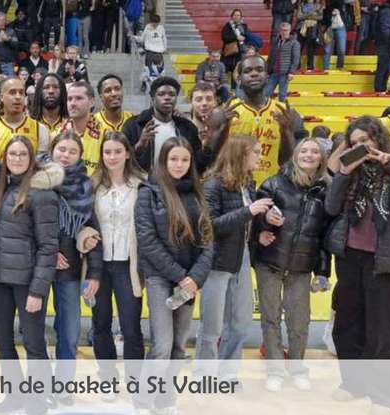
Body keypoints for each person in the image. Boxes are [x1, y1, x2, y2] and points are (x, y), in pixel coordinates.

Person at [324, 116, 390, 414]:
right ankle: (354, 384)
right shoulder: (350, 170)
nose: (360, 147)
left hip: (384, 260)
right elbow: (331, 206)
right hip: (349, 256)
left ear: (378, 139)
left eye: (365, 141)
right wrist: (343, 173)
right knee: (346, 325)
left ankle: (384, 397)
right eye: (354, 143)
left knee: (382, 332)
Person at [134, 135, 213, 413]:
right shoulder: (148, 192)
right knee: (162, 346)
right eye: (173, 159)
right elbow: (147, 241)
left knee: (179, 346)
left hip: (189, 281)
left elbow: (208, 242)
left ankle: (165, 401)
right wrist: (181, 277)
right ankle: (143, 402)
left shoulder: (198, 193)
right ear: (163, 161)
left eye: (184, 159)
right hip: (161, 278)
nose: (179, 164)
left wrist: (195, 278)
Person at [0, 135, 60, 415]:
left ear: (31, 160)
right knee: (3, 342)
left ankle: (37, 400)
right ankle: (15, 396)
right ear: (5, 158)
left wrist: (38, 290)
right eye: (12, 154)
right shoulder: (1, 189)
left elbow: (48, 247)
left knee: (33, 343)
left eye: (22, 154)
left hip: (27, 283)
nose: (16, 159)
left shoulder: (42, 195)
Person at [253, 138, 332, 392]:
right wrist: (265, 221)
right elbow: (254, 219)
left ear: (322, 159)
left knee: (299, 321)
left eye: (315, 152)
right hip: (270, 263)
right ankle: (275, 369)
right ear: (295, 155)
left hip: (301, 268)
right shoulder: (273, 183)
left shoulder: (326, 192)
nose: (309, 155)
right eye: (304, 150)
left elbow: (325, 237)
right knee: (270, 318)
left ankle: (297, 368)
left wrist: (322, 271)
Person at [197, 134, 265, 383]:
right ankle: (204, 375)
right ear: (240, 154)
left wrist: (262, 227)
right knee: (212, 326)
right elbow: (210, 226)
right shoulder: (213, 184)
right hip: (217, 260)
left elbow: (245, 224)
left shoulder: (248, 183)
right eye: (256, 152)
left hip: (242, 256)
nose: (260, 156)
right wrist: (249, 211)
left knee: (240, 323)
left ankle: (228, 374)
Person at [43, 131, 103, 407]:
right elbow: (24, 224)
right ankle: (41, 384)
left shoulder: (84, 187)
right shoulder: (37, 179)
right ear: (52, 150)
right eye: (61, 149)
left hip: (70, 268)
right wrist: (49, 252)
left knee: (69, 332)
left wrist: (94, 273)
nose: (65, 155)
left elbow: (93, 229)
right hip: (39, 267)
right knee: (34, 332)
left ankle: (64, 386)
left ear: (80, 156)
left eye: (72, 151)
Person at [89, 132, 147, 401]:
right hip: (98, 267)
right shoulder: (93, 186)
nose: (112, 157)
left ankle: (135, 381)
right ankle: (107, 380)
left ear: (127, 153)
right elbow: (84, 223)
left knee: (131, 326)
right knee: (100, 325)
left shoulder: (142, 185)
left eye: (117, 151)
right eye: (107, 152)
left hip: (128, 266)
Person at [206, 55, 305, 185]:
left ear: (267, 77)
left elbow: (288, 161)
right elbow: (210, 158)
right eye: (247, 71)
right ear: (239, 79)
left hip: (271, 187)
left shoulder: (285, 113)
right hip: (233, 187)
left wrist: (286, 132)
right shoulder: (222, 113)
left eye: (259, 70)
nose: (254, 74)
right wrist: (223, 130)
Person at [122, 77, 205, 173]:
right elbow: (122, 158)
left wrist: (206, 147)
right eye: (161, 94)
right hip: (144, 180)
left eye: (172, 94)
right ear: (153, 98)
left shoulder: (187, 127)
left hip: (178, 181)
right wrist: (140, 145)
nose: (167, 97)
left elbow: (197, 164)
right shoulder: (133, 125)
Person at [0, 77, 50, 159]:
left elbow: (42, 163)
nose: (18, 97)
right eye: (12, 93)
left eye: (21, 93)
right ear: (1, 97)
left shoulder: (40, 130)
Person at [62, 81, 104, 174]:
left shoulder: (105, 134)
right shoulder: (56, 134)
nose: (72, 103)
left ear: (92, 102)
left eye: (79, 98)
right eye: (69, 99)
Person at [265, 22, 300, 102]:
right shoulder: (275, 42)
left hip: (285, 73)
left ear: (289, 31)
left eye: (286, 30)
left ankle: (282, 109)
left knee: (282, 95)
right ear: (280, 31)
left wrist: (291, 72)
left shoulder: (294, 43)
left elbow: (296, 59)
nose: (284, 32)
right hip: (274, 72)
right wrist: (267, 71)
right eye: (283, 30)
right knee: (266, 93)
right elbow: (270, 57)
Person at [373, 0, 390, 92]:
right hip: (384, 44)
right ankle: (379, 89)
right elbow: (385, 29)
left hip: (385, 43)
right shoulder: (387, 12)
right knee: (383, 68)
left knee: (386, 68)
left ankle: (382, 88)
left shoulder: (387, 11)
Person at [0, 11, 20, 76]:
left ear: (5, 21)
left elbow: (16, 46)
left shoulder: (11, 32)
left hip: (9, 64)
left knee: (10, 82)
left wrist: (7, 40)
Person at [221, 9, 249, 77]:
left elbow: (246, 37)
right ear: (232, 16)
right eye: (235, 15)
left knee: (236, 74)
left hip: (239, 54)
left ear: (241, 17)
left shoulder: (244, 26)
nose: (236, 17)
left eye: (238, 15)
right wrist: (236, 38)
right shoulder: (227, 26)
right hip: (229, 54)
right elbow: (224, 37)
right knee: (224, 73)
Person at [296, 0, 323, 70]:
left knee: (310, 47)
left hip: (313, 27)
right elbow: (299, 16)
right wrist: (311, 15)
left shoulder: (318, 4)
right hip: (301, 27)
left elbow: (320, 17)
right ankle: (297, 66)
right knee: (299, 47)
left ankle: (310, 67)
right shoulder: (302, 4)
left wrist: (306, 16)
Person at [322, 4, 348, 70]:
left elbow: (348, 15)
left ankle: (340, 68)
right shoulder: (328, 6)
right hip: (330, 28)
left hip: (341, 28)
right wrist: (331, 13)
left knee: (341, 50)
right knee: (327, 50)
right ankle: (326, 69)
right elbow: (324, 16)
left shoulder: (343, 6)